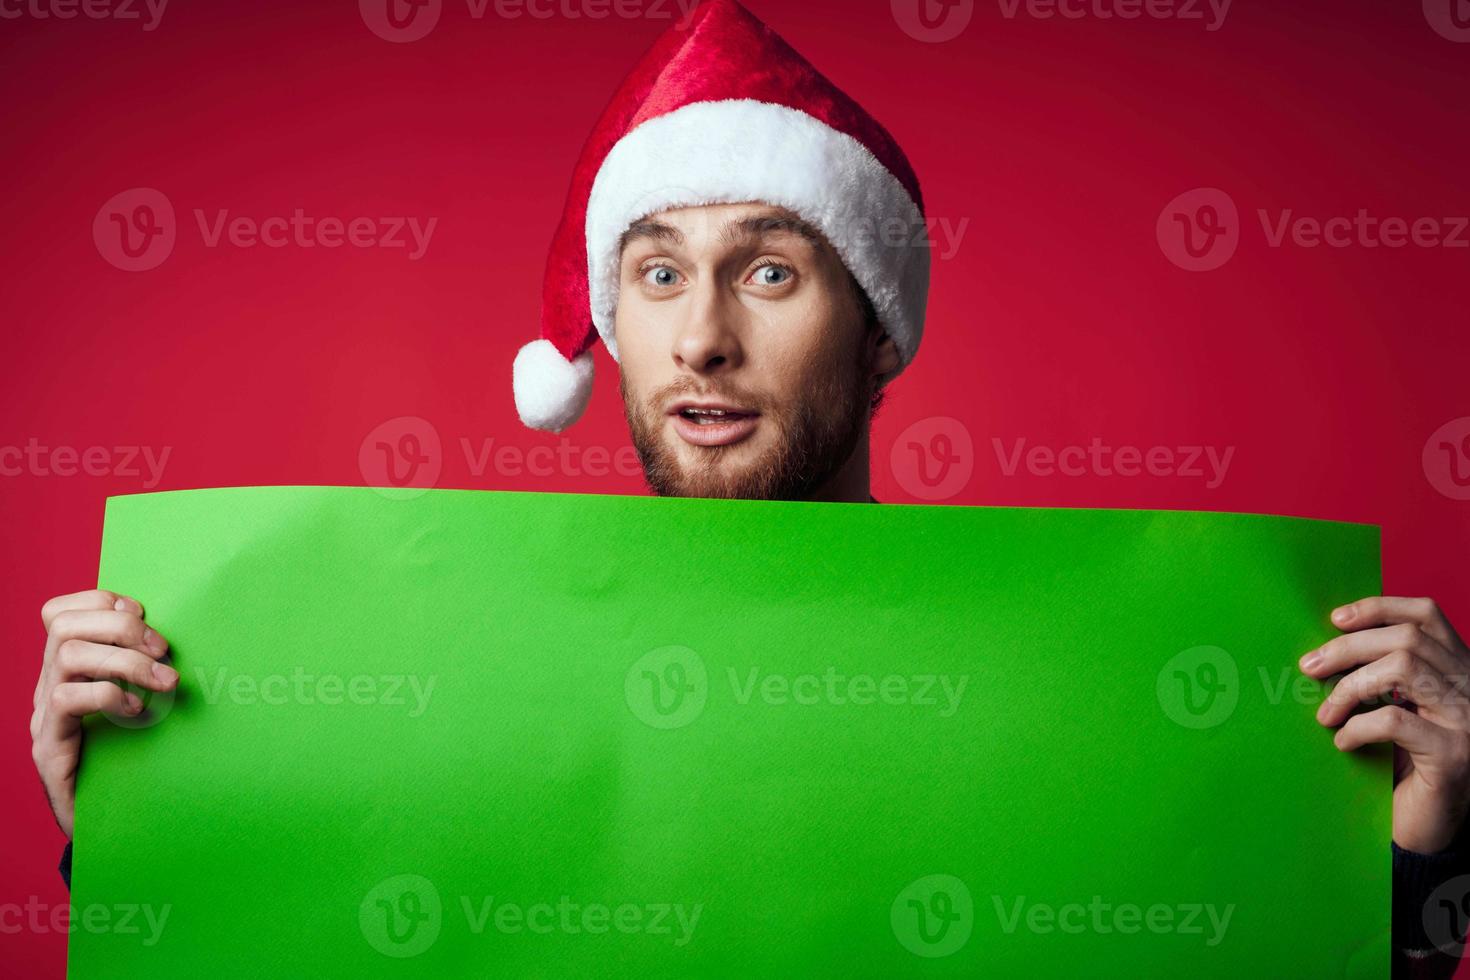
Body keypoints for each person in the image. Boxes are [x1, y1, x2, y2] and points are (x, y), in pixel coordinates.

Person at [29, 1, 1470, 974]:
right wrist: (143, 829)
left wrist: (1411, 878)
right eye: (655, 273)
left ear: (878, 325)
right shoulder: (394, 667)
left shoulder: (1121, 680)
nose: (703, 334)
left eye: (769, 270)